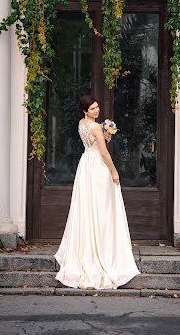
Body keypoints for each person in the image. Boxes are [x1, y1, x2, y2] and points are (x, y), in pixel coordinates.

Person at [54, 93, 140, 289]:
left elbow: (93, 144)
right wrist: (114, 171)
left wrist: (105, 133)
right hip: (98, 167)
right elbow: (103, 152)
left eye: (97, 107)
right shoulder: (95, 127)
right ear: (85, 110)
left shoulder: (81, 124)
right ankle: (102, 250)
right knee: (102, 209)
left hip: (86, 165)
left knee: (87, 207)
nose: (97, 110)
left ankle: (89, 247)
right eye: (92, 108)